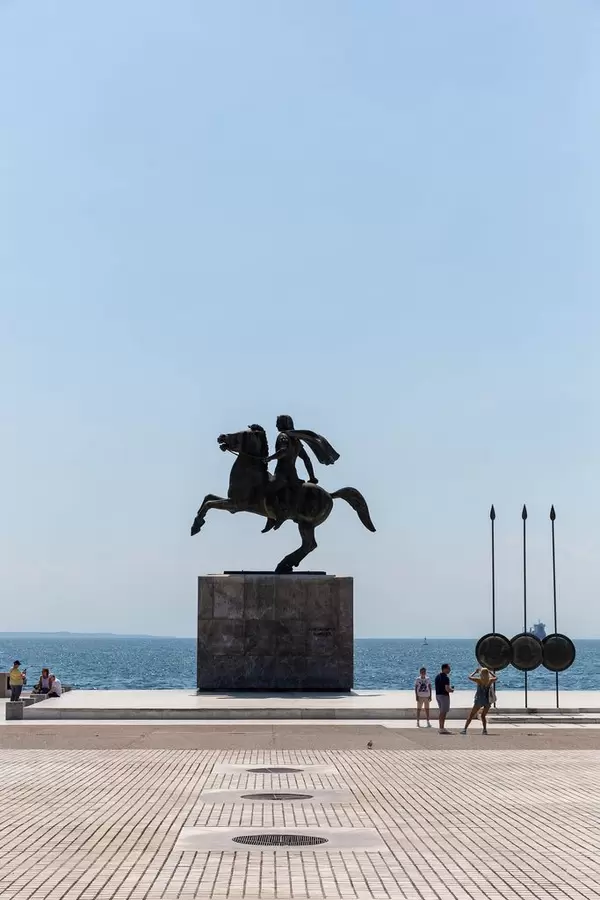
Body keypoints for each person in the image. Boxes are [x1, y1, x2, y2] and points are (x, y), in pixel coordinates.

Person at [262, 414, 339, 532]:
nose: (276, 425)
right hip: (293, 475)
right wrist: (312, 477)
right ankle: (273, 517)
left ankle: (278, 516)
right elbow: (306, 459)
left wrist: (270, 458)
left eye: (278, 422)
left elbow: (283, 451)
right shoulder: (296, 440)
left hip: (282, 474)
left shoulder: (283, 436)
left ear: (283, 423)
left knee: (265, 490)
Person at [460, 667, 497, 736]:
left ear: (481, 674)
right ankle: (485, 730)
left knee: (471, 715)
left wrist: (475, 672)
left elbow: (469, 677)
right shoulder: (490, 680)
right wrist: (490, 672)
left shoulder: (478, 680)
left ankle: (464, 729)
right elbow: (496, 677)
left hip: (479, 700)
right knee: (483, 716)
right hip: (487, 701)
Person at [434, 663, 454, 734]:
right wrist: (452, 690)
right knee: (443, 712)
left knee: (441, 712)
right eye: (448, 668)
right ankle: (441, 728)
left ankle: (441, 727)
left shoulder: (437, 676)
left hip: (438, 695)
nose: (449, 670)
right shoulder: (446, 678)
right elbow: (447, 689)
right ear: (444, 669)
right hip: (444, 696)